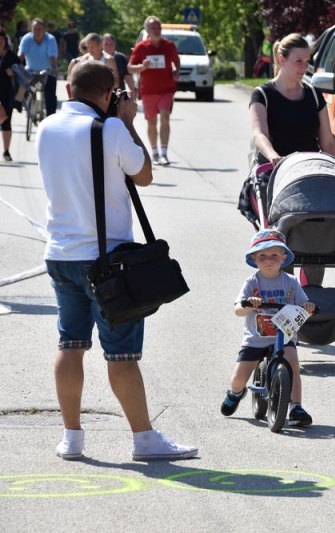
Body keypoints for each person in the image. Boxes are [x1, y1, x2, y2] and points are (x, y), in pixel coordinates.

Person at [36, 61, 197, 461]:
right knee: (121, 355)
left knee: (70, 345)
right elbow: (144, 175)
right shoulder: (109, 129)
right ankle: (144, 439)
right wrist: (126, 122)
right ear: (109, 94)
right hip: (107, 262)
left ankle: (71, 438)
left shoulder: (47, 127)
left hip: (60, 255)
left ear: (68, 89)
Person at [249, 32, 335, 286]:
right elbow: (259, 133)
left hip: (308, 173)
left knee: (315, 230)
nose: (304, 67)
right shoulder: (263, 94)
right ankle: (280, 288)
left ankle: (311, 291)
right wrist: (273, 155)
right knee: (280, 233)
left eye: (307, 62)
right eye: (298, 61)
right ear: (281, 59)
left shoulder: (313, 95)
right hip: (274, 174)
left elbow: (327, 141)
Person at [221, 229, 316, 426]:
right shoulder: (252, 282)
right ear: (254, 259)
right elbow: (237, 310)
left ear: (283, 258)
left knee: (293, 365)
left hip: (284, 336)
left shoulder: (291, 282)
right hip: (256, 338)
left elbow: (304, 304)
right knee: (238, 379)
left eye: (274, 255)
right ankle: (236, 393)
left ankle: (296, 407)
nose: (269, 260)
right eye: (262, 256)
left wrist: (308, 306)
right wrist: (248, 304)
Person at [129, 16, 180, 166]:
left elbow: (176, 61)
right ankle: (155, 153)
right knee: (151, 122)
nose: (156, 30)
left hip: (167, 89)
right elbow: (130, 68)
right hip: (148, 91)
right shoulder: (141, 47)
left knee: (165, 117)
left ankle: (164, 153)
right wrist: (141, 67)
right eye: (153, 28)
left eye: (158, 27)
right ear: (147, 30)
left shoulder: (169, 45)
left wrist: (176, 71)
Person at [18, 18, 59, 116]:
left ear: (44, 30)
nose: (37, 32)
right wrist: (16, 65)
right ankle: (21, 106)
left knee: (50, 96)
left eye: (40, 29)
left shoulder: (50, 39)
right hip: (30, 71)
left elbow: (52, 57)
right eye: (35, 29)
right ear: (31, 29)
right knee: (19, 90)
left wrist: (54, 69)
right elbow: (21, 55)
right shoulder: (26, 39)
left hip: (47, 71)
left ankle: (50, 117)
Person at [0, 30, 20, 161]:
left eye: (2, 39)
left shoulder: (11, 56)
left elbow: (21, 69)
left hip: (7, 93)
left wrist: (13, 71)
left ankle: (6, 151)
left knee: (6, 122)